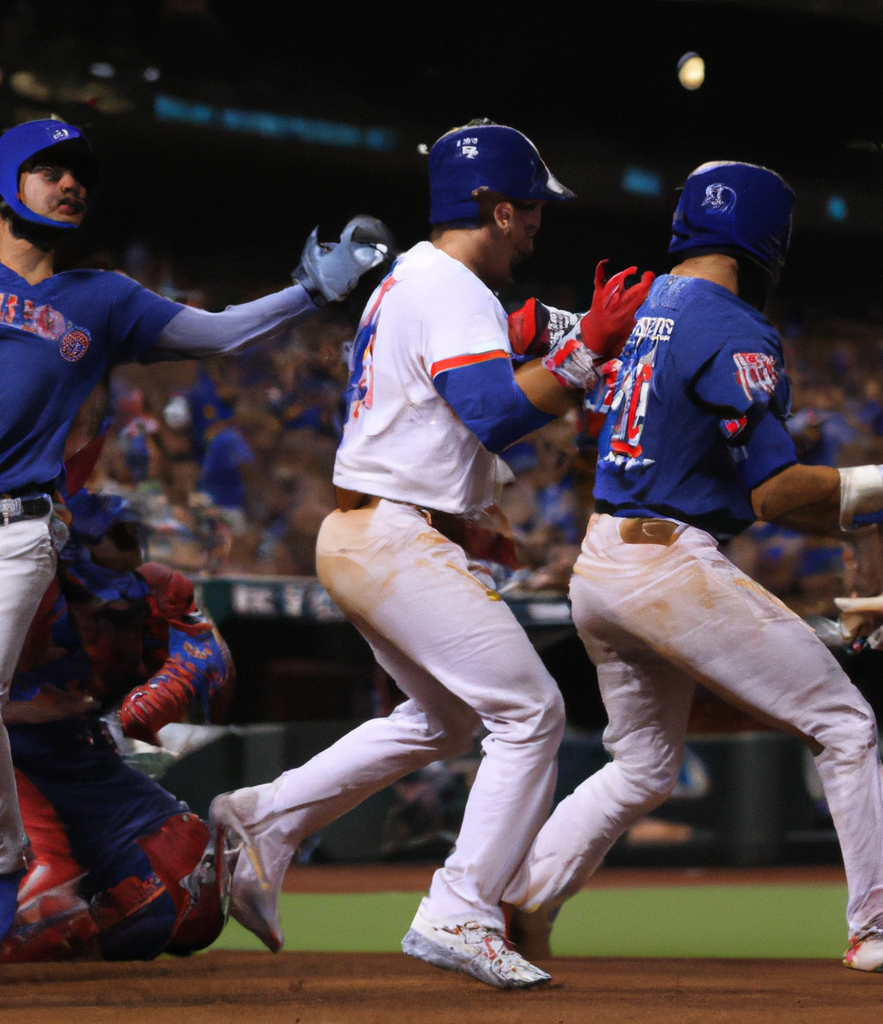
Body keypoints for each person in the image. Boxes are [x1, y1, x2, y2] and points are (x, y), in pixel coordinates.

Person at [0, 116, 389, 957]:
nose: (71, 184)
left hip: (17, 530)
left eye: (79, 174)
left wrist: (311, 292)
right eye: (50, 169)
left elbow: (219, 333)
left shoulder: (103, 298)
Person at [209, 118, 652, 989]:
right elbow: (492, 408)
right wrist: (588, 348)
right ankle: (460, 909)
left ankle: (265, 817)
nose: (536, 225)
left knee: (445, 719)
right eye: (528, 210)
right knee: (531, 715)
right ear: (492, 209)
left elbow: (484, 367)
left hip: (370, 528)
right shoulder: (448, 283)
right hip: (391, 535)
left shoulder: (416, 278)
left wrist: (565, 345)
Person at [502, 161, 883, 972]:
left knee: (643, 766)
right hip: (667, 565)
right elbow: (771, 491)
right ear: (770, 237)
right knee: (843, 723)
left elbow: (748, 488)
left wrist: (850, 522)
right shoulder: (732, 323)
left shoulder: (645, 307)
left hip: (603, 562)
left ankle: (526, 898)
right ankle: (881, 926)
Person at [0, 488, 233, 961]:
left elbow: (215, 674)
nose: (104, 615)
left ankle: (49, 881)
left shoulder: (154, 595)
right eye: (94, 598)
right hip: (15, 770)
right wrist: (32, 708)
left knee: (193, 910)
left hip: (87, 766)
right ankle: (18, 868)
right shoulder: (6, 592)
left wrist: (173, 679)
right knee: (49, 923)